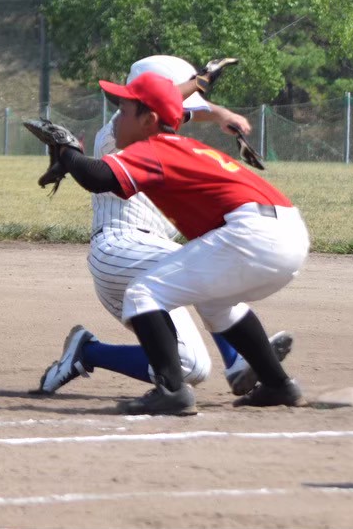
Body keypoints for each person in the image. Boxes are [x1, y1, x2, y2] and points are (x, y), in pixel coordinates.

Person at [38, 70, 309, 415]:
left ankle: (171, 391)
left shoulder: (155, 148)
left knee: (143, 293)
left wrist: (67, 152)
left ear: (148, 120)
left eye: (124, 111)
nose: (117, 118)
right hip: (288, 233)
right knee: (216, 304)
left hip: (253, 234)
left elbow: (99, 178)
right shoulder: (184, 147)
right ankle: (278, 384)